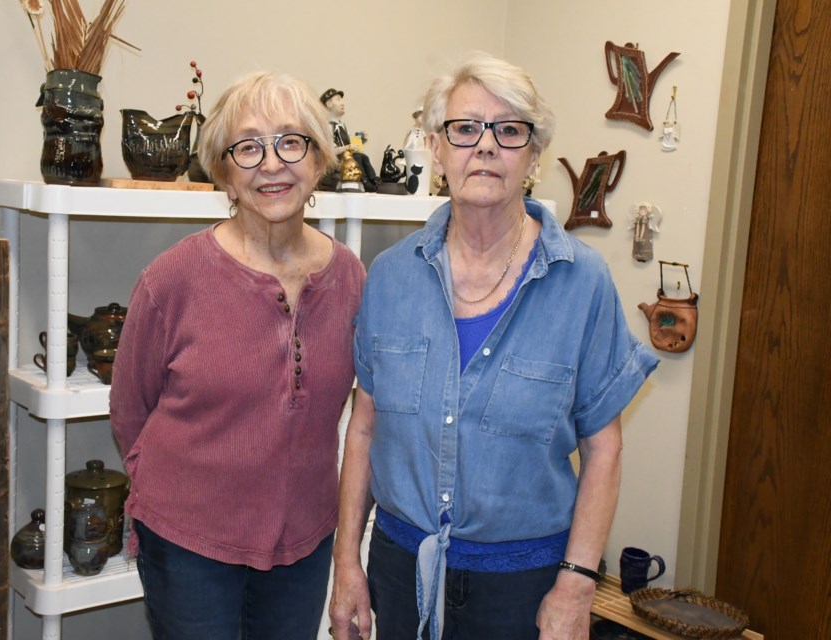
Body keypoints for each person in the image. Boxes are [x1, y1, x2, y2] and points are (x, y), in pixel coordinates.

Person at [329, 53, 659, 640]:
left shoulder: (581, 282)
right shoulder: (388, 276)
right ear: (436, 149)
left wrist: (577, 585)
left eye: (510, 131)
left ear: (533, 156)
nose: (485, 147)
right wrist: (347, 561)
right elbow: (363, 428)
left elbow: (603, 447)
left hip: (525, 588)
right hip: (400, 571)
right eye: (465, 129)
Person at [109, 71, 366, 640]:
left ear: (319, 162)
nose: (271, 164)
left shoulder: (350, 276)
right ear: (223, 174)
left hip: (303, 542)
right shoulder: (173, 278)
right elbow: (130, 409)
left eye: (291, 141)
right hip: (189, 546)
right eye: (248, 147)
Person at [320, 88, 379, 191]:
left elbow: (346, 141)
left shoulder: (342, 126)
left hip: (346, 158)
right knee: (358, 157)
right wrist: (347, 147)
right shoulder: (327, 127)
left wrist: (360, 140)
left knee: (363, 157)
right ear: (329, 104)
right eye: (338, 100)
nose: (342, 103)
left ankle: (373, 180)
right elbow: (330, 151)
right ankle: (364, 181)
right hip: (336, 163)